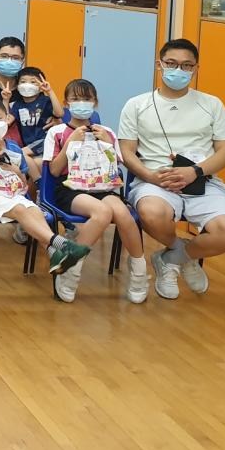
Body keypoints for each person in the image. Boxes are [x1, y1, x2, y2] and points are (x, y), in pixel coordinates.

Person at [118, 38, 225, 302]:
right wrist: (150, 177)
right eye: (172, 63)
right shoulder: (137, 104)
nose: (179, 70)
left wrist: (195, 171)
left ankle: (172, 259)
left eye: (187, 65)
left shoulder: (211, 104)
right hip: (155, 181)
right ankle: (182, 253)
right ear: (159, 65)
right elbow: (126, 151)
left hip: (201, 180)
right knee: (152, 214)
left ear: (196, 69)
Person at [44, 79, 148, 303]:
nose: (81, 103)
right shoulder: (57, 132)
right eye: (75, 99)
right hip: (70, 188)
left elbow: (116, 168)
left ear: (95, 102)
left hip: (102, 186)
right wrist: (70, 143)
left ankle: (139, 273)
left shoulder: (107, 131)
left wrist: (107, 143)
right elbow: (53, 170)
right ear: (66, 103)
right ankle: (70, 269)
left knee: (123, 214)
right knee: (102, 213)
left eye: (87, 99)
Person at [0, 99, 91, 276]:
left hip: (12, 192)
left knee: (34, 210)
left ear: (7, 119)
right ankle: (63, 245)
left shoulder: (15, 148)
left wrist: (15, 170)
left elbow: (23, 180)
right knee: (20, 209)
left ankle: (53, 254)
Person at [13, 66, 63, 155]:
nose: (27, 85)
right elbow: (8, 120)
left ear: (40, 87)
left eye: (33, 82)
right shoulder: (17, 105)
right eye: (23, 82)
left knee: (19, 154)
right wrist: (6, 100)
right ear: (17, 86)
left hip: (45, 140)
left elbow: (60, 114)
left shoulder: (45, 101)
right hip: (28, 144)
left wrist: (49, 91)